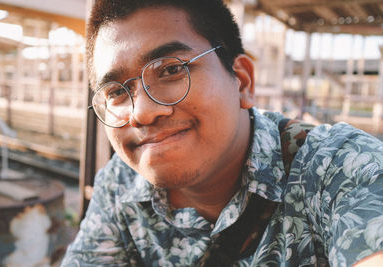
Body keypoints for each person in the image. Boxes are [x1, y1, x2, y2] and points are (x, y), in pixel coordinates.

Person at [61, 0, 383, 266]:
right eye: (116, 92)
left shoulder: (338, 168)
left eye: (172, 69)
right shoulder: (121, 185)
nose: (142, 112)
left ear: (242, 81)